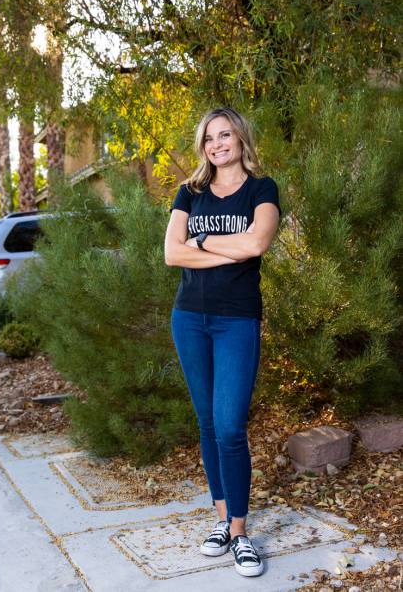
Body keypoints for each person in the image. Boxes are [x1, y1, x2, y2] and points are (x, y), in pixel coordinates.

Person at [164, 107, 281, 578]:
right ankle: (220, 521)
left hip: (236, 321)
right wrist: (224, 244)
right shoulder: (189, 193)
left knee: (230, 425)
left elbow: (256, 245)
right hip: (189, 318)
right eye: (209, 138)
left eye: (225, 134)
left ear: (240, 138)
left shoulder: (261, 189)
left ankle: (240, 531)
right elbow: (173, 254)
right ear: (203, 146)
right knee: (208, 423)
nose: (217, 144)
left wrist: (205, 242)